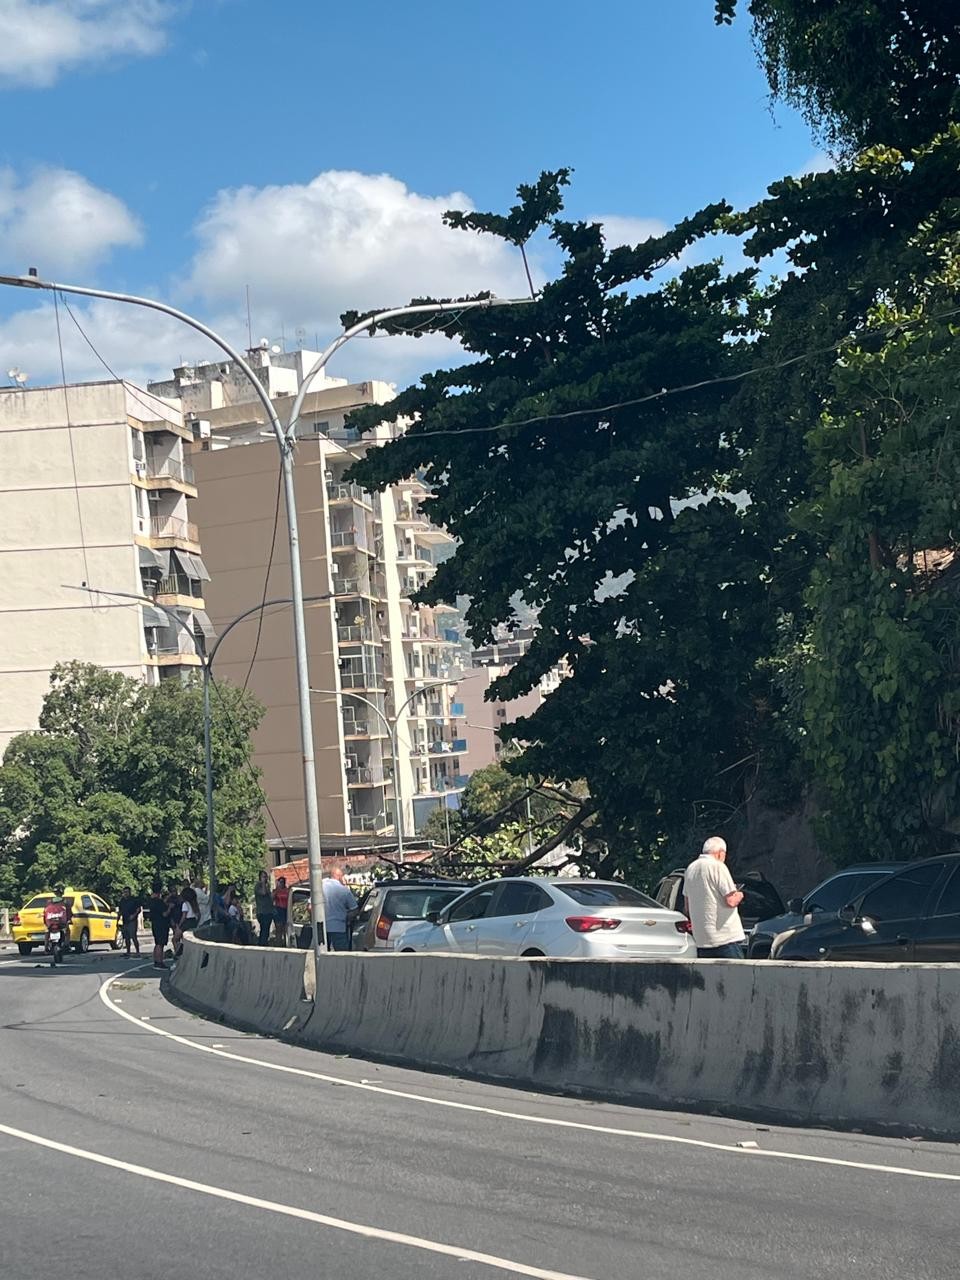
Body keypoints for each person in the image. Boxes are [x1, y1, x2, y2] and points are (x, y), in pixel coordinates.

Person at [683, 836, 746, 959]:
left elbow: (687, 907)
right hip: (725, 939)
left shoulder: (690, 869)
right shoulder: (718, 866)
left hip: (702, 941)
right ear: (720, 853)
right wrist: (740, 894)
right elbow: (731, 901)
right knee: (738, 977)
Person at [322, 865, 358, 952]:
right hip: (339, 928)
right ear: (339, 876)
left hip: (322, 929)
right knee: (342, 956)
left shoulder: (320, 888)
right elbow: (355, 910)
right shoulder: (344, 890)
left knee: (322, 956)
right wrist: (347, 917)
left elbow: (310, 907)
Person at [146, 882, 172, 970]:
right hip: (161, 924)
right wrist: (169, 908)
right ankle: (159, 962)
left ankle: (156, 961)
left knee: (157, 943)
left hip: (154, 923)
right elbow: (164, 914)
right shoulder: (159, 902)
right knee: (160, 944)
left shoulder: (151, 901)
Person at [43, 886, 72, 957]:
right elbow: (69, 912)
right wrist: (69, 920)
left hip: (51, 922)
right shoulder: (65, 901)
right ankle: (67, 945)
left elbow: (45, 912)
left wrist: (46, 922)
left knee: (47, 931)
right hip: (61, 922)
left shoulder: (49, 902)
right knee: (67, 931)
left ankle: (46, 947)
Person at [116, 887, 141, 957]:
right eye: (124, 892)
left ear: (130, 892)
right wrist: (117, 919)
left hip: (132, 920)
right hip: (125, 920)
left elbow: (138, 909)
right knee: (126, 937)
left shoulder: (134, 900)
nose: (125, 894)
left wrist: (134, 915)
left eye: (127, 892)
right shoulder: (122, 901)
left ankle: (137, 952)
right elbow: (120, 911)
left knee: (133, 936)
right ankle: (128, 951)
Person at [254, 870, 274, 946]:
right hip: (262, 912)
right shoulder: (258, 886)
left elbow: (270, 897)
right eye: (263, 877)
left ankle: (264, 942)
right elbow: (263, 893)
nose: (265, 879)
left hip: (269, 911)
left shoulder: (267, 886)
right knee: (264, 927)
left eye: (266, 877)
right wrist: (262, 883)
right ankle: (261, 943)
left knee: (267, 929)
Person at [272, 875, 289, 948]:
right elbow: (271, 898)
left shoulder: (287, 890)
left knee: (285, 928)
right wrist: (276, 889)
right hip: (278, 909)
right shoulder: (276, 891)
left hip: (285, 910)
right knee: (278, 928)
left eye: (283, 882)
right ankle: (278, 943)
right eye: (281, 882)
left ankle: (286, 943)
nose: (282, 883)